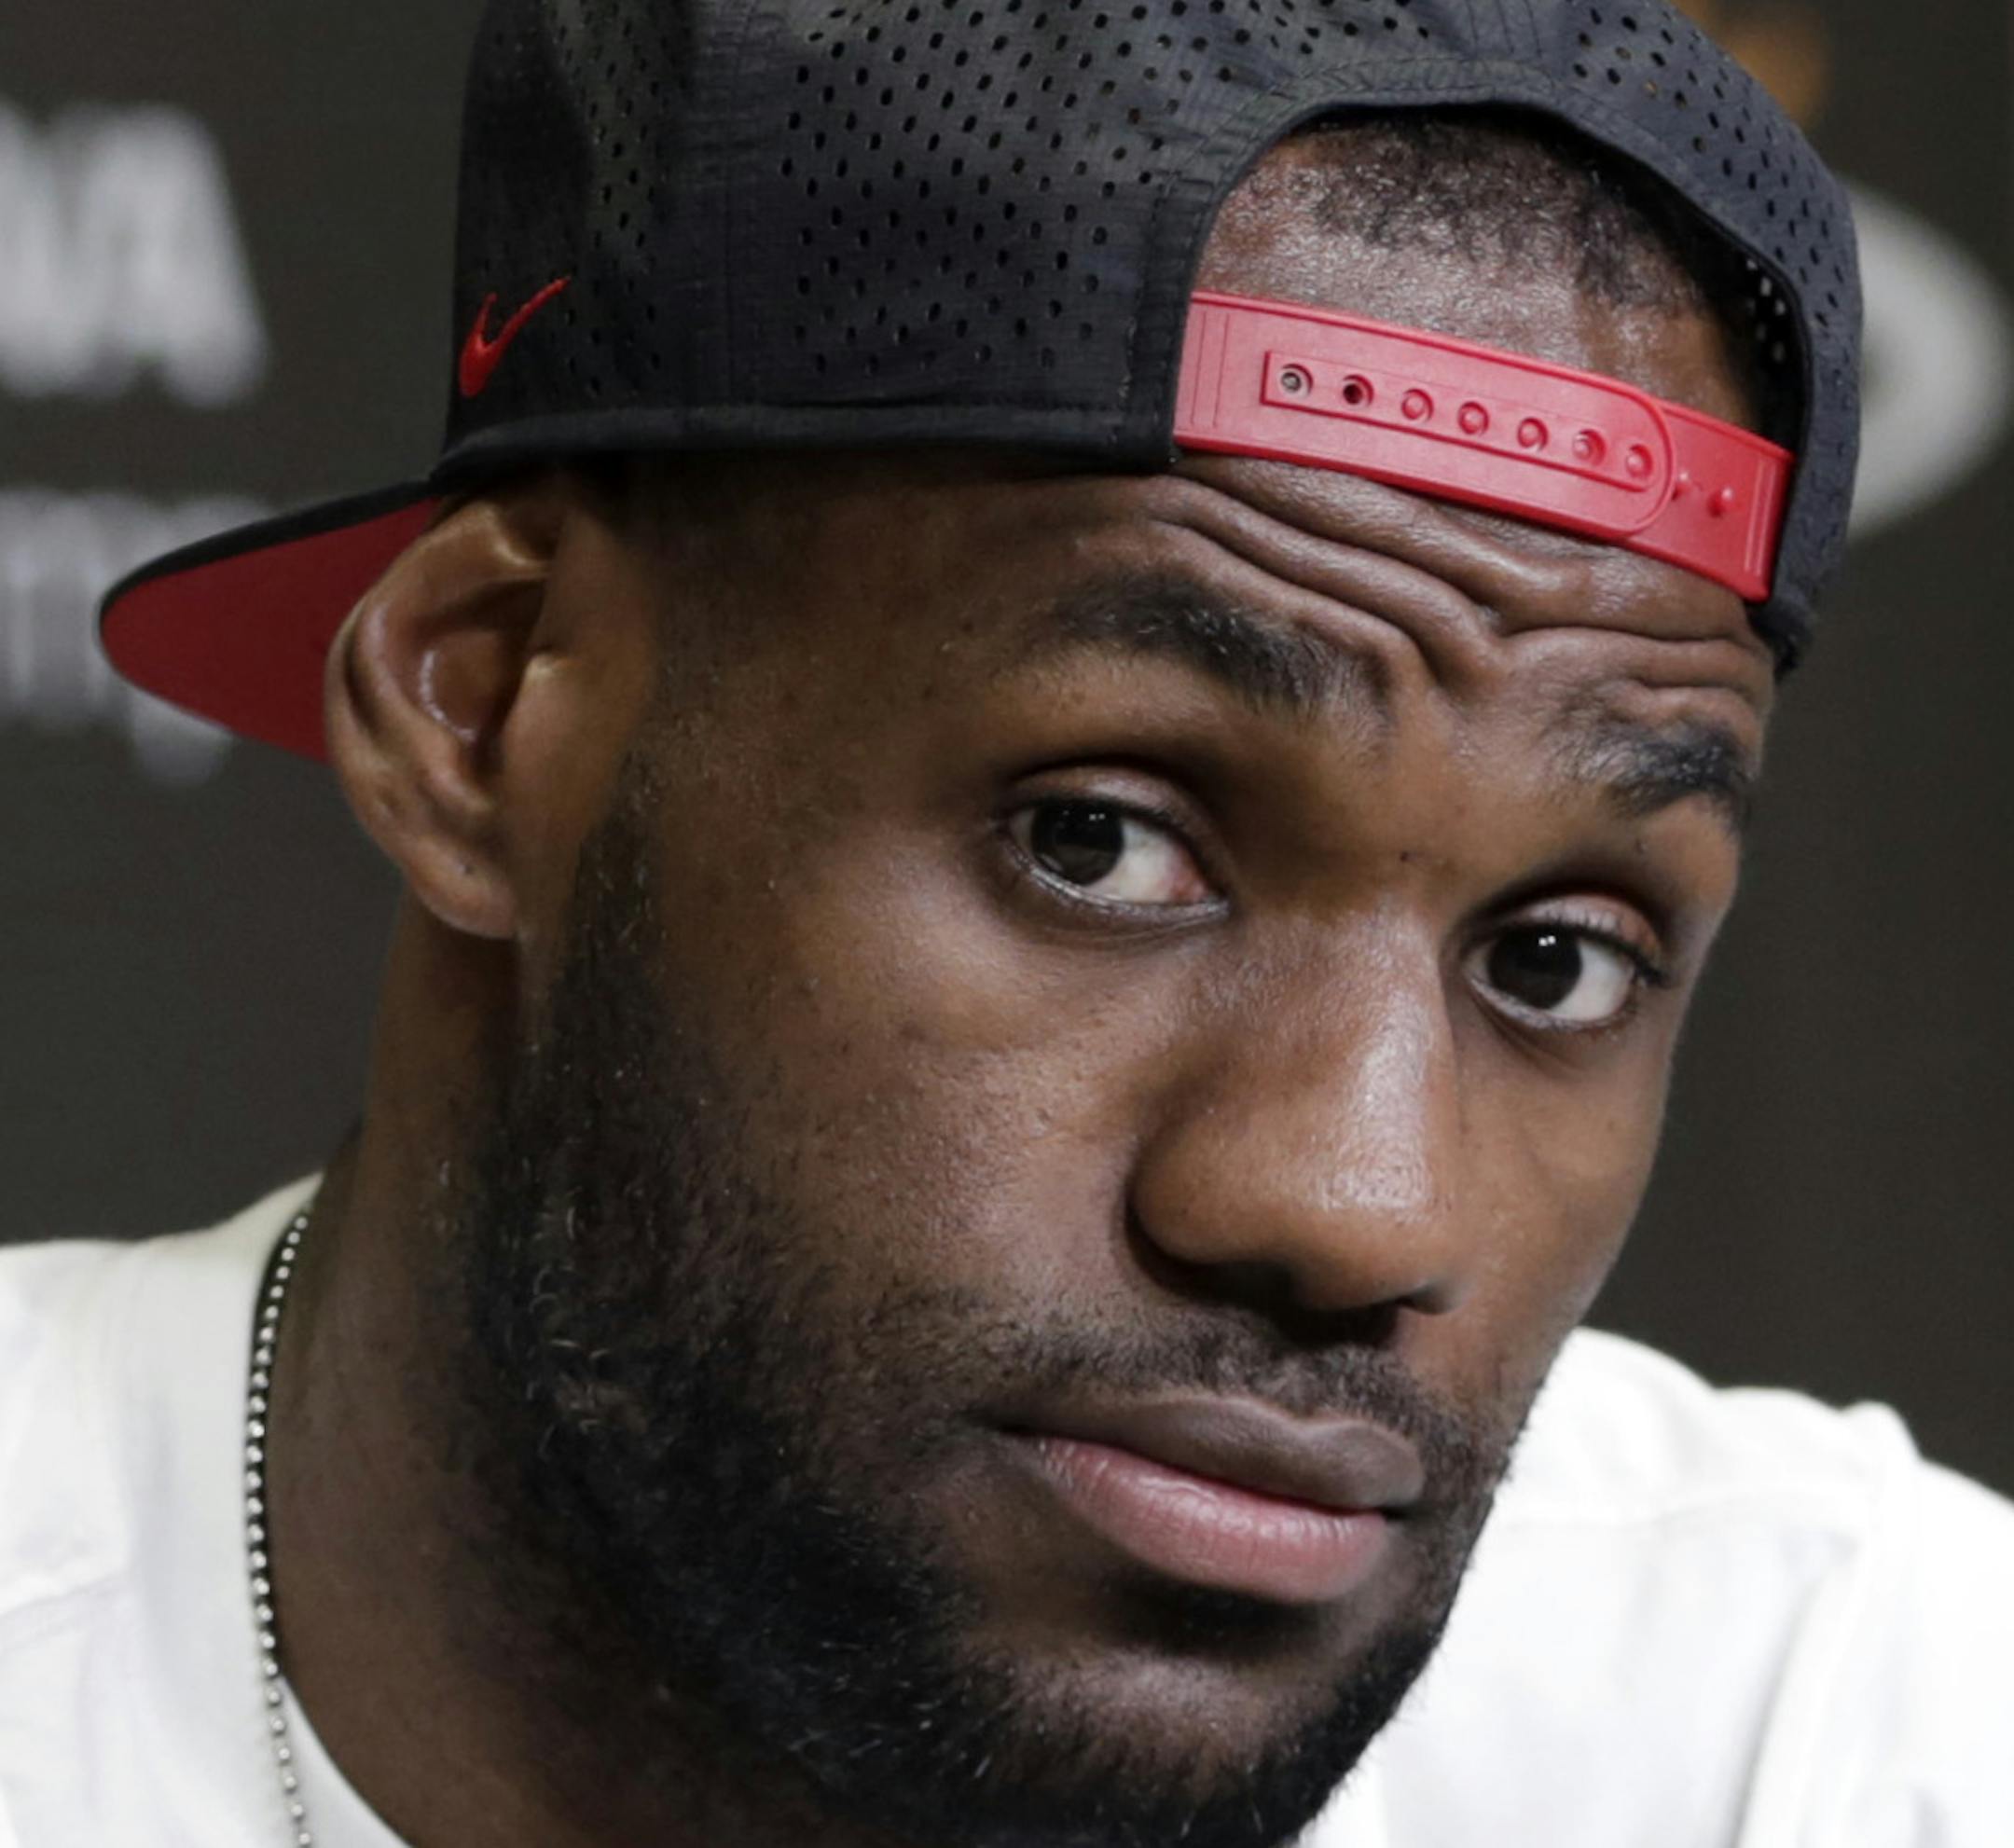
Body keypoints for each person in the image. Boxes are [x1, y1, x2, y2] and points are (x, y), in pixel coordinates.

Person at [5, 1, 2010, 1844]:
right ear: (492, 702)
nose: (1361, 1201)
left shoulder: (1840, 1738)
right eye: (1097, 842)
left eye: (1552, 956)